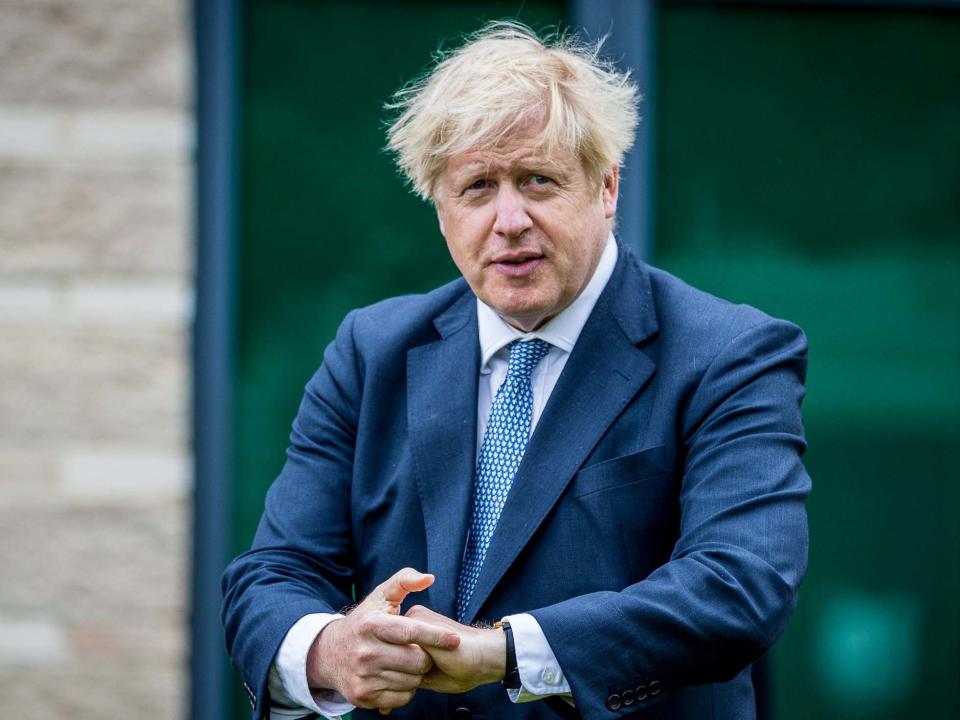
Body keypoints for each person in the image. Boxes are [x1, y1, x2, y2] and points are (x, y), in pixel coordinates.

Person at [222, 21, 810, 720]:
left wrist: (502, 653)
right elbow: (271, 576)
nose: (509, 220)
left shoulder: (729, 354)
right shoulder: (369, 351)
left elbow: (738, 585)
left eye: (538, 180)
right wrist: (332, 651)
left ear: (606, 185)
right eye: (476, 187)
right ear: (440, 211)